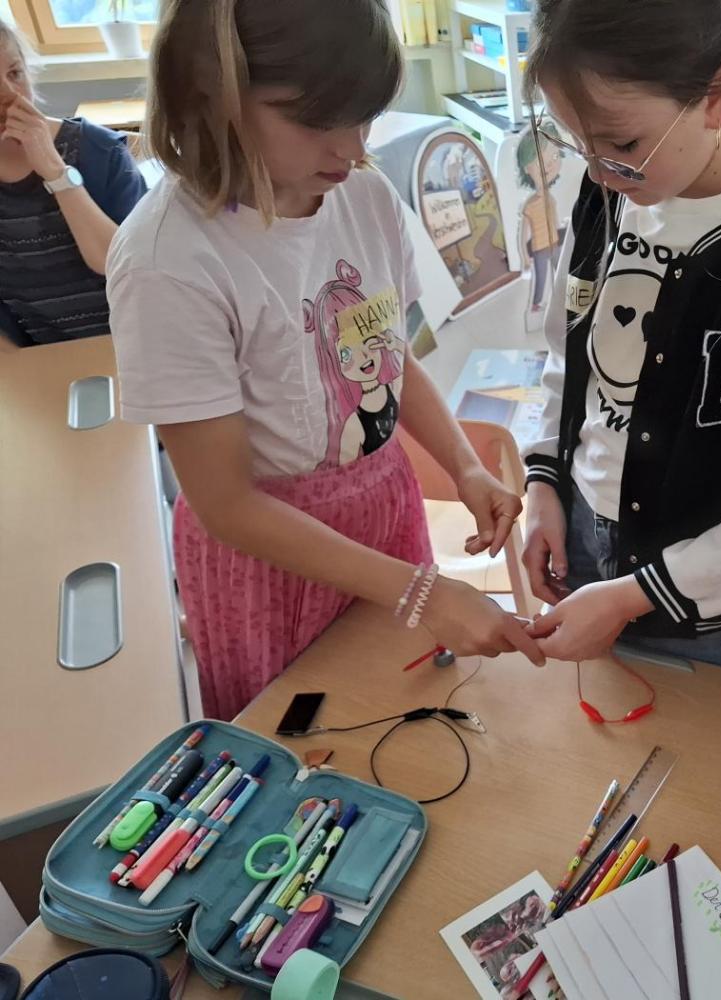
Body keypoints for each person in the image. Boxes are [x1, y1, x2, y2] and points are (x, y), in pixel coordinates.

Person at [109, 0, 542, 721]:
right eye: (316, 122)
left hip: (382, 512)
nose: (351, 148)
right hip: (269, 555)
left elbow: (389, 353)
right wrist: (422, 591)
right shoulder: (168, 260)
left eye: (364, 118)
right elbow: (226, 504)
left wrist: (465, 466)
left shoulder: (363, 194)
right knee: (302, 739)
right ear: (216, 94)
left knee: (401, 715)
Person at [518, 0, 721, 670]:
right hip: (580, 537)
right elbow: (567, 356)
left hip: (699, 596)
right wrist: (543, 483)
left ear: (716, 97)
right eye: (578, 145)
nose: (599, 173)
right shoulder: (609, 187)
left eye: (622, 147)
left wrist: (636, 595)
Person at [0, 19, 146, 346]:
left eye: (15, 73)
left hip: (134, 340)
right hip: (43, 358)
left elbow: (127, 263)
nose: (8, 95)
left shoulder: (99, 151)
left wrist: (55, 171)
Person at [515, 128, 565, 315]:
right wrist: (524, 258)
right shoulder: (529, 205)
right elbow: (522, 235)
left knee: (561, 273)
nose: (549, 165)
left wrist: (563, 235)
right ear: (526, 168)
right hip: (540, 249)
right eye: (540, 161)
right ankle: (536, 305)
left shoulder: (551, 199)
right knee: (541, 278)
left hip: (555, 244)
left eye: (555, 157)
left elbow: (556, 222)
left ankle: (563, 300)